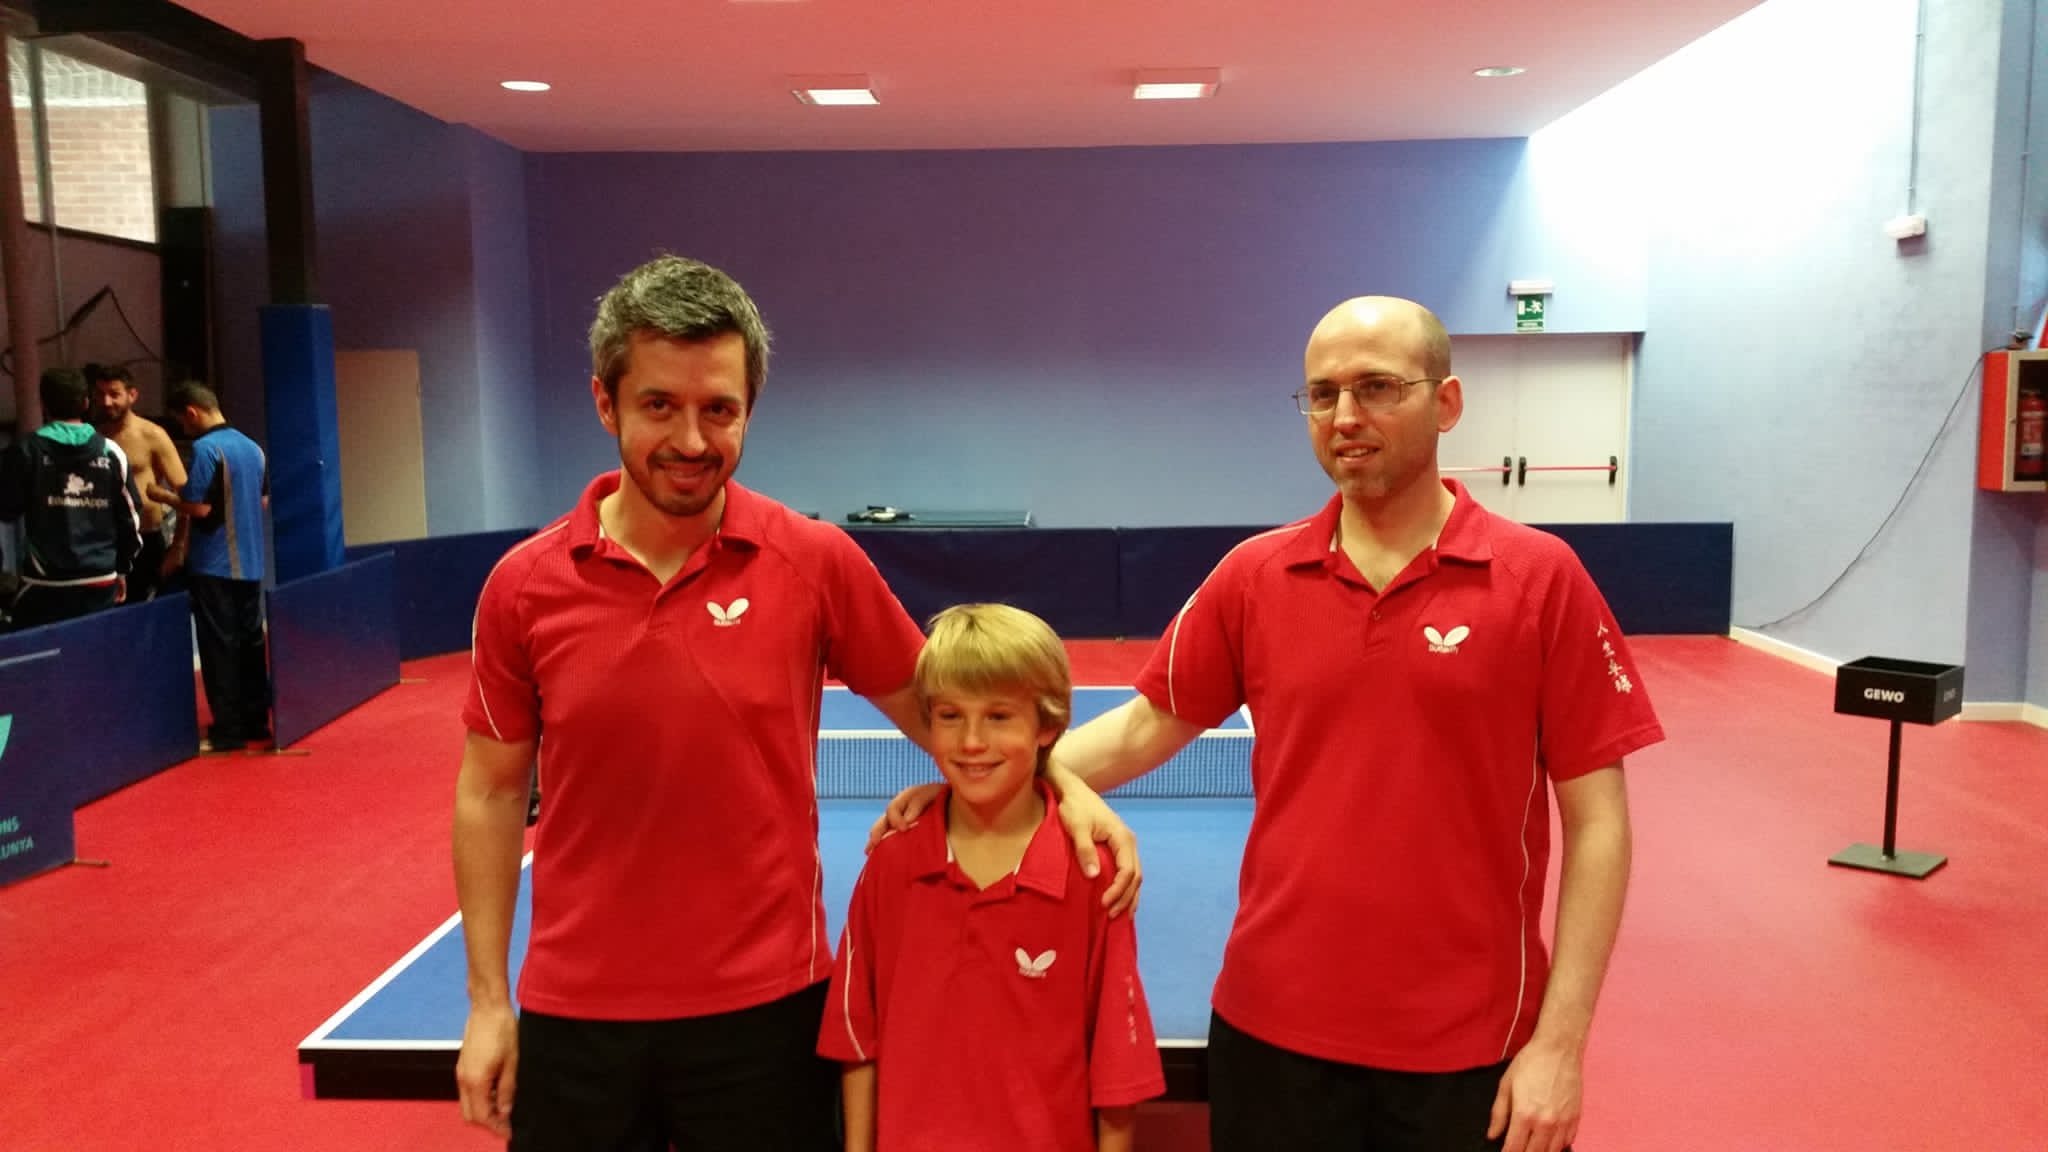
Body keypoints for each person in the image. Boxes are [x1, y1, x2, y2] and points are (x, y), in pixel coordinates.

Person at [887, 296, 1665, 1152]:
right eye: (1322, 394)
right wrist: (983, 779)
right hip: (1272, 1036)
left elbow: (1599, 825)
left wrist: (1560, 1045)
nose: (1346, 416)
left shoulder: (1541, 579)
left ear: (1446, 403)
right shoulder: (1255, 576)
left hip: (1473, 1048)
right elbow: (1145, 727)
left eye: (1377, 388)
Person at [451, 254, 1136, 1152]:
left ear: (749, 409)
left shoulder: (813, 563)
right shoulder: (523, 586)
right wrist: (487, 1001)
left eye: (719, 409)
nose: (691, 439)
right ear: (605, 404)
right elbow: (493, 791)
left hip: (767, 1010)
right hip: (577, 1013)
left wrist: (1063, 787)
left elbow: (953, 713)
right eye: (659, 405)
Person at [821, 604, 1164, 1152]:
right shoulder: (891, 864)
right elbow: (857, 1037)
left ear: (1047, 726)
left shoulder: (1093, 876)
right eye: (950, 716)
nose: (972, 742)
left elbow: (1117, 1067)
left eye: (999, 717)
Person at [155, 382, 270, 752]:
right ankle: (256, 722)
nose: (184, 429)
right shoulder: (253, 448)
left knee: (219, 648)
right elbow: (262, 501)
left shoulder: (206, 449)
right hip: (251, 563)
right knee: (251, 645)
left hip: (215, 565)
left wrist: (162, 496)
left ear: (192, 413)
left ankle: (228, 731)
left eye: (182, 422)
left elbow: (200, 507)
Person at [0, 367, 141, 629]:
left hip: (44, 583)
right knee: (95, 650)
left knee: (42, 653)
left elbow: (7, 509)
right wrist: (122, 568)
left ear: (43, 405)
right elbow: (130, 519)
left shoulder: (24, 451)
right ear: (86, 403)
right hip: (100, 581)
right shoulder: (112, 452)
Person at [88, 362, 187, 601]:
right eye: (100, 394)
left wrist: (178, 547)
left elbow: (186, 493)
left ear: (132, 395)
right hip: (104, 542)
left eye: (114, 394)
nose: (106, 401)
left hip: (146, 540)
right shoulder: (91, 436)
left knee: (144, 611)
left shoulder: (152, 435)